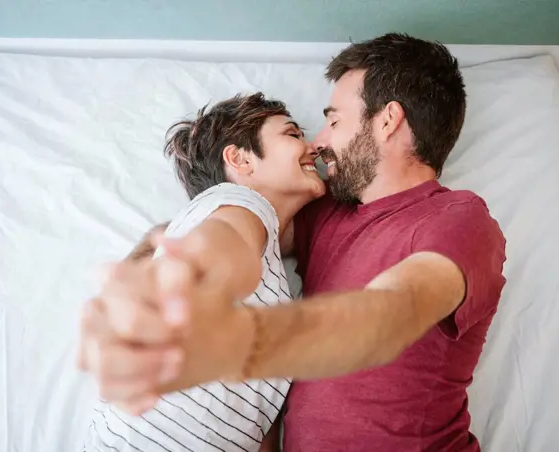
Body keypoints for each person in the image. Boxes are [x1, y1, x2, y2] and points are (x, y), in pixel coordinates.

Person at [80, 33, 507, 452]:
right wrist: (155, 272)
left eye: (335, 120)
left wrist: (251, 337)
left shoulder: (458, 219)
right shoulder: (324, 215)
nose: (318, 142)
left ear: (387, 120)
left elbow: (395, 311)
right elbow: (230, 229)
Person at [79, 92, 325, 451]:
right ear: (240, 159)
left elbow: (259, 421)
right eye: (292, 134)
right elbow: (223, 241)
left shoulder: (276, 287)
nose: (313, 146)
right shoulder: (243, 205)